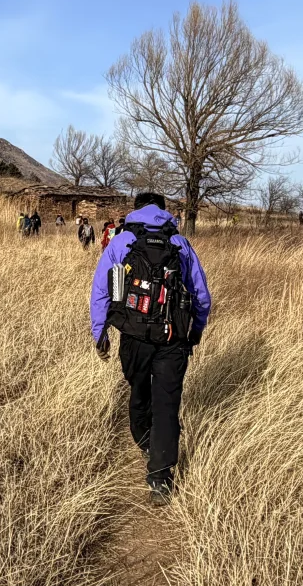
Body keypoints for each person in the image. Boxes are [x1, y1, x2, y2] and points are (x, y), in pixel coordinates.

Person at [89, 191, 212, 506]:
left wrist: (100, 330)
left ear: (135, 210)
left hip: (134, 336)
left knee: (139, 392)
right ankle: (160, 477)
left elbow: (104, 289)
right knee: (167, 404)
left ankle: (144, 440)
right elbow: (200, 295)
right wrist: (194, 332)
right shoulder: (181, 245)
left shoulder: (120, 242)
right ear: (163, 211)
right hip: (174, 338)